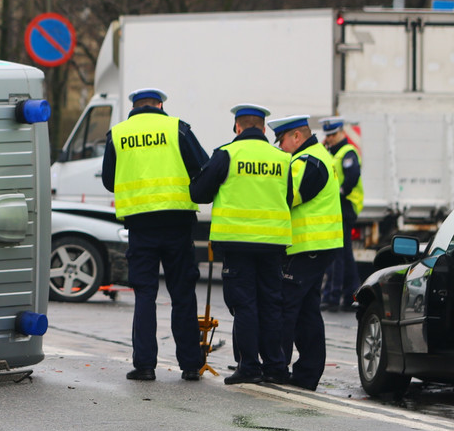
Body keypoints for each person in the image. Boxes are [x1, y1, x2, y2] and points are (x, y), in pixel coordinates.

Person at [102, 87, 207, 382]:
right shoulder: (178, 129)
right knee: (183, 295)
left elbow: (110, 181)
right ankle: (190, 365)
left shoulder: (118, 134)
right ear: (160, 105)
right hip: (177, 224)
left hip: (140, 227)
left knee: (145, 295)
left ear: (134, 106)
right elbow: (202, 167)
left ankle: (145, 365)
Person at [190, 104, 291, 385]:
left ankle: (249, 367)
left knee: (245, 305)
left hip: (237, 243)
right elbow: (290, 195)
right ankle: (275, 366)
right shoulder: (282, 158)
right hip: (273, 243)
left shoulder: (227, 154)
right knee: (271, 304)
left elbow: (199, 192)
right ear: (262, 128)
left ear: (237, 127)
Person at [269, 114, 344, 391]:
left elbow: (287, 196)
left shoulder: (306, 161)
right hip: (316, 246)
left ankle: (277, 367)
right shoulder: (318, 155)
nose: (281, 148)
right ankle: (307, 373)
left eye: (282, 140)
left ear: (296, 137)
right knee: (306, 311)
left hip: (307, 246)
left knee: (286, 306)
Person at [318, 117, 362, 312]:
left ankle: (332, 296)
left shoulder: (347, 152)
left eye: (333, 134)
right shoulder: (330, 153)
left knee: (337, 254)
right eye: (328, 135)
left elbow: (352, 177)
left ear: (342, 132)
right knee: (344, 253)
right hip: (335, 207)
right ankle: (351, 294)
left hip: (345, 206)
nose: (331, 138)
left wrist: (341, 192)